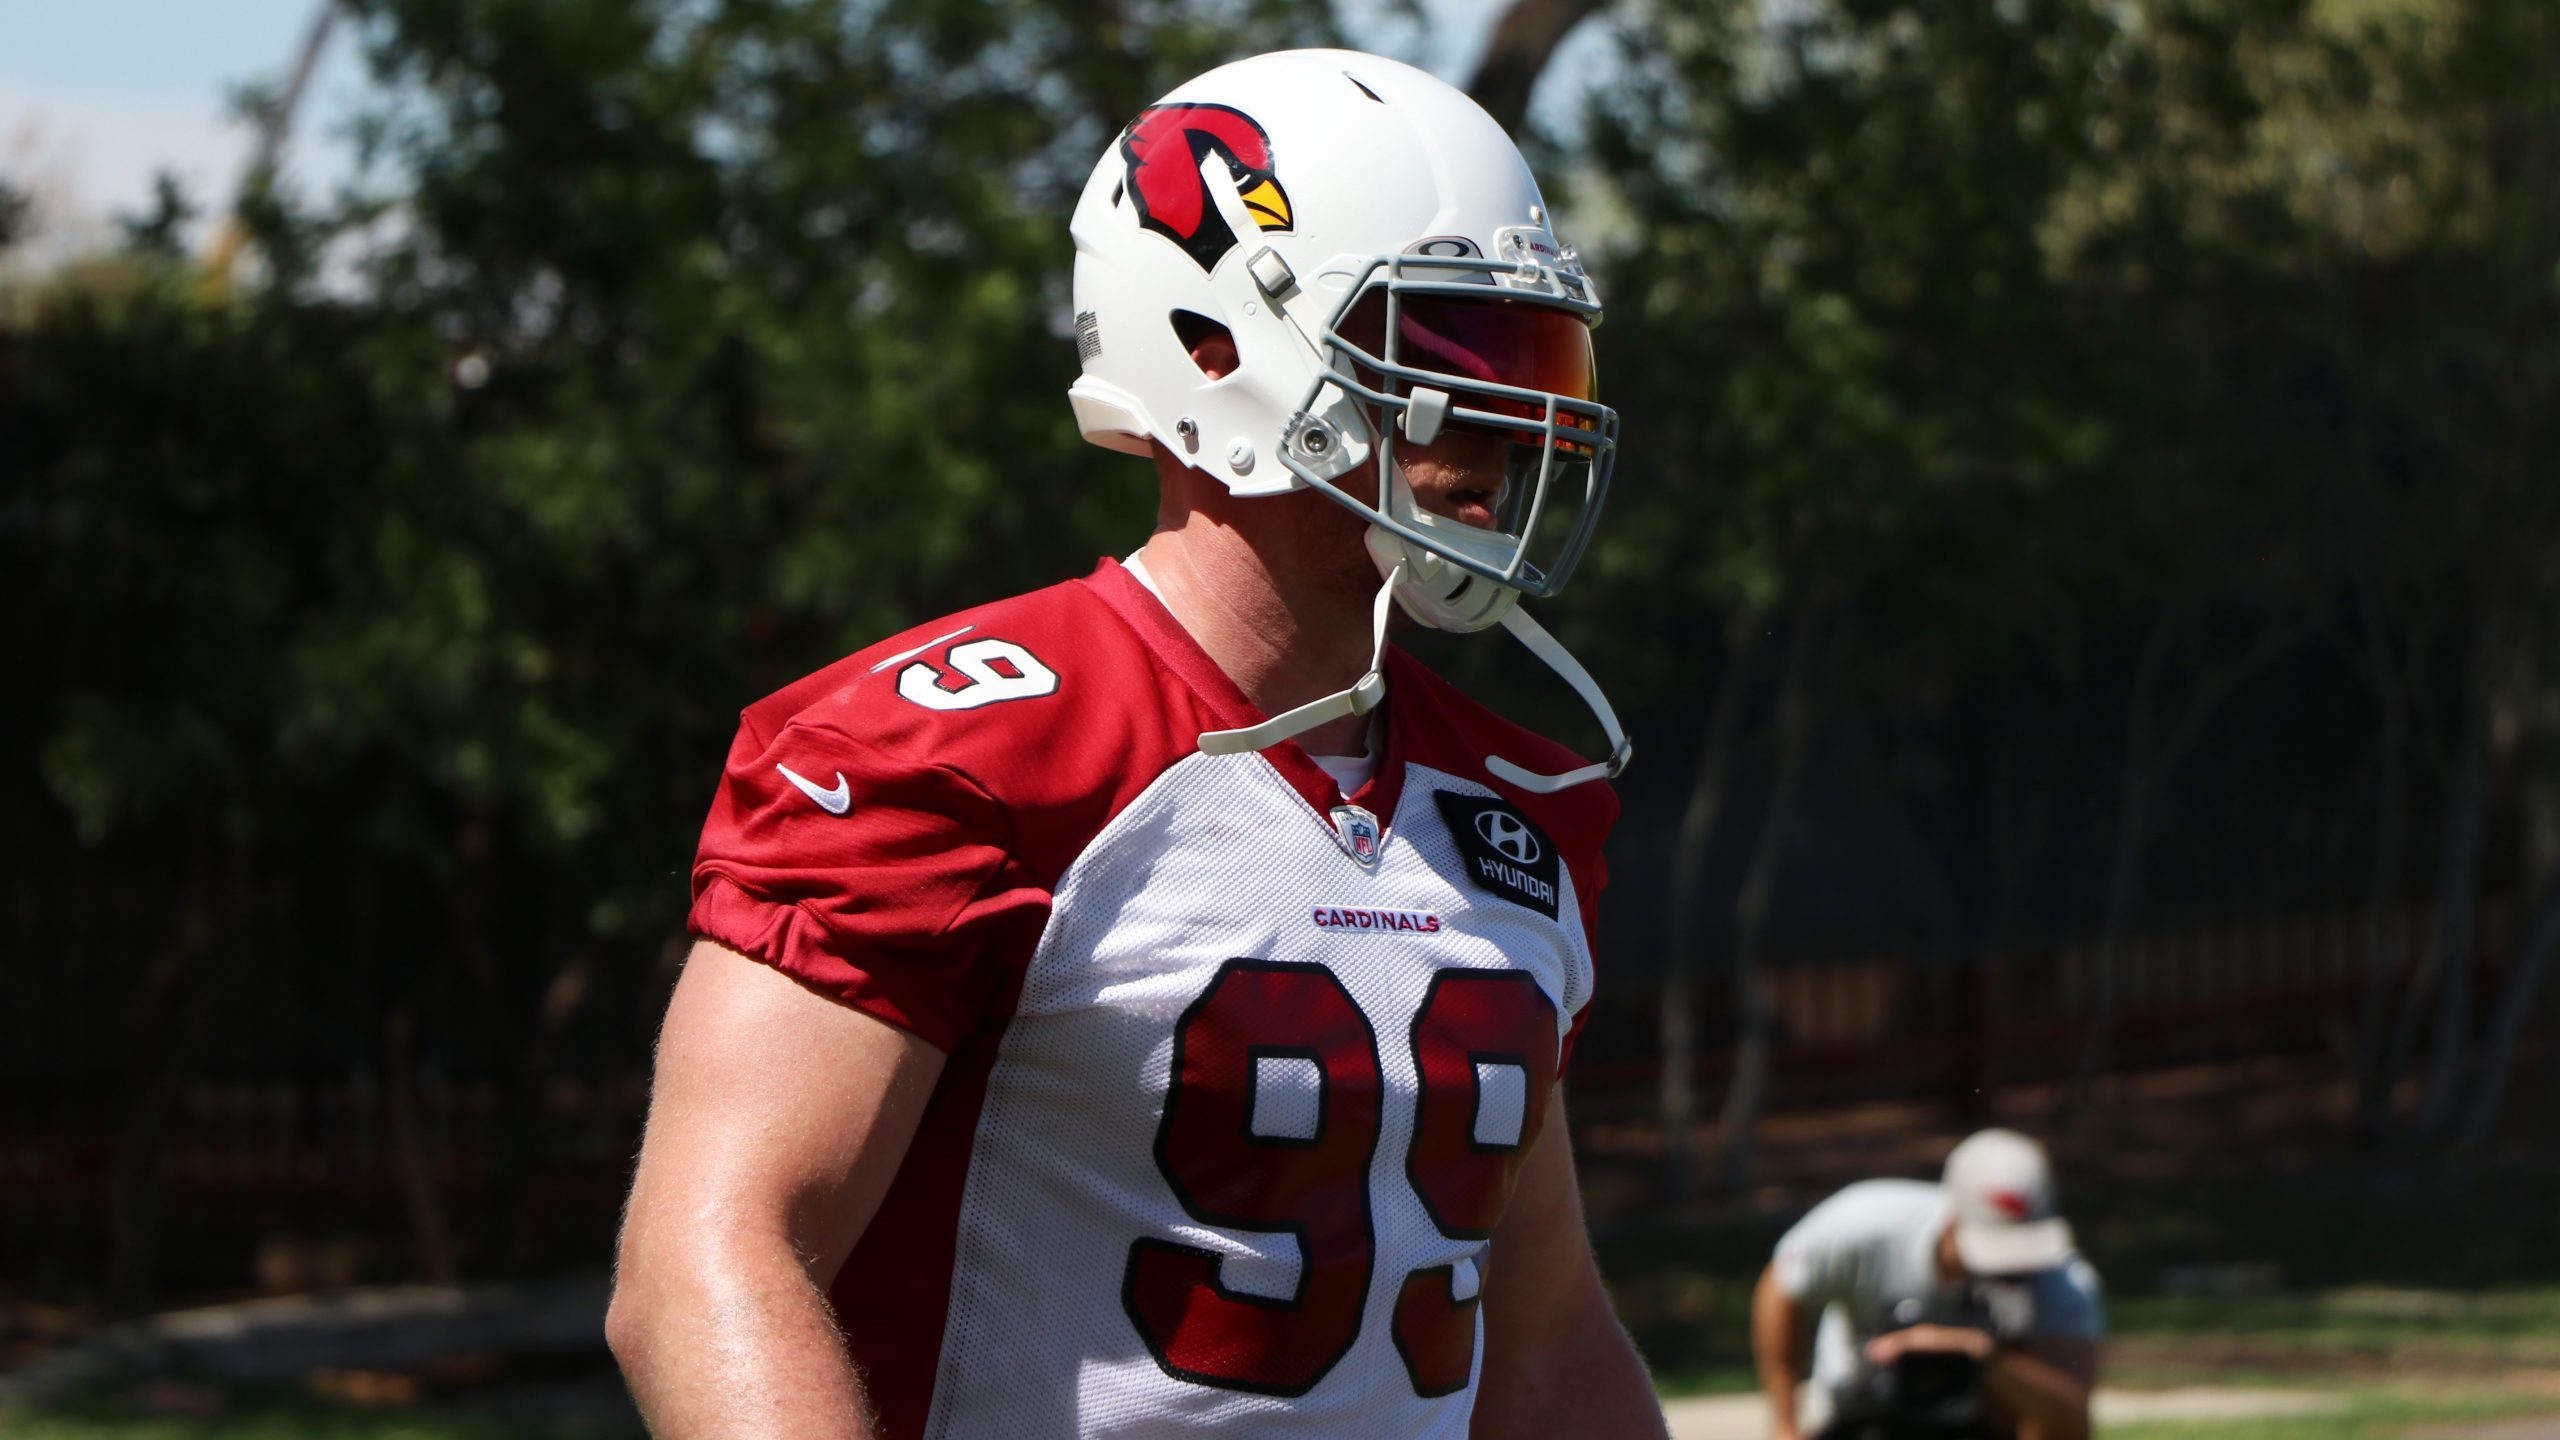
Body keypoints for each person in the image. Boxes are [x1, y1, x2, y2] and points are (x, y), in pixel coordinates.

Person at [604, 48, 1668, 1439]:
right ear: (1213, 344)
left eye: (1529, 355)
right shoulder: (961, 754)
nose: (1501, 417)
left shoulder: (1518, 802)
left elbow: (1545, 1339)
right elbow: (710, 1258)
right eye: (1447, 345)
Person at [1750, 1130, 2103, 1440]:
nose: (2006, 1269)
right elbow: (1780, 1285)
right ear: (1952, 1216)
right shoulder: (1866, 1223)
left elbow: (2070, 1424)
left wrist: (1981, 1357)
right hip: (1857, 1415)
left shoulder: (2065, 1281)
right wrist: (1784, 1425)